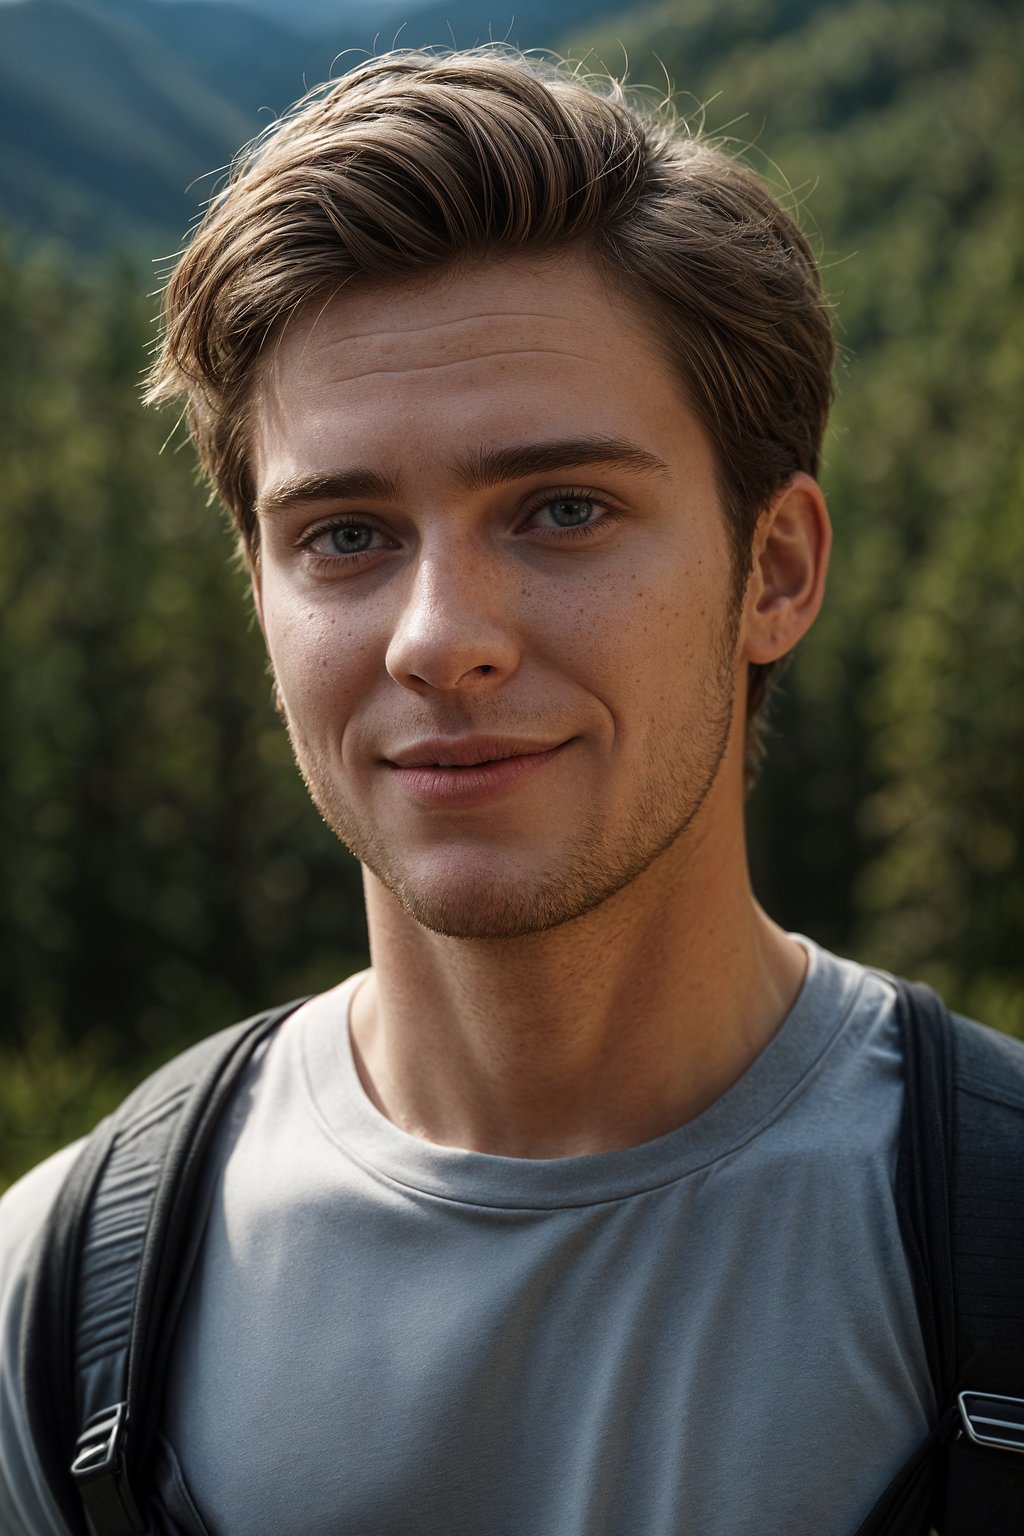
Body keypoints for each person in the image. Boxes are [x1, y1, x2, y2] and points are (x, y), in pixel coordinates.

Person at [0, 46, 952, 1536]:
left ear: (774, 571)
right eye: (345, 536)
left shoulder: (999, 1245)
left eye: (564, 511)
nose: (442, 638)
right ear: (258, 593)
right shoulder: (53, 1306)